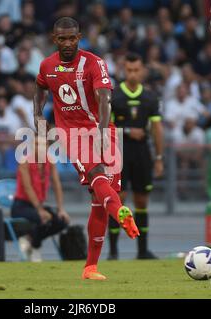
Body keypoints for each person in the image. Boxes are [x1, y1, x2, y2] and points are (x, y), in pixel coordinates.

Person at [34, 17, 139, 280]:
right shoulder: (47, 66)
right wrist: (40, 122)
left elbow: (105, 100)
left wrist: (103, 132)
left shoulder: (95, 63)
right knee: (97, 174)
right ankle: (122, 214)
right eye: (62, 38)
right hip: (72, 133)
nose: (67, 43)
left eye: (72, 38)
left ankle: (90, 267)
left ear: (79, 37)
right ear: (54, 38)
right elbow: (39, 92)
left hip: (104, 130)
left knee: (99, 201)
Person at [108, 52, 164, 260]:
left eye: (136, 70)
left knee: (142, 202)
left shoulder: (150, 97)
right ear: (124, 70)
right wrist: (128, 131)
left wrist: (159, 157)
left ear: (142, 71)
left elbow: (157, 129)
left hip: (142, 154)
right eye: (129, 70)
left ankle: (142, 251)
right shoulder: (114, 96)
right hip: (119, 153)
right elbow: (105, 128)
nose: (132, 74)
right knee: (118, 201)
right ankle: (113, 252)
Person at [11, 136, 70, 262]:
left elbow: (57, 184)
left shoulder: (50, 162)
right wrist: (39, 210)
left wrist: (61, 209)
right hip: (21, 205)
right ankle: (36, 247)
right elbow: (27, 187)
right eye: (37, 144)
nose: (40, 147)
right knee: (42, 218)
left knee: (62, 221)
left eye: (44, 144)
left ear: (48, 147)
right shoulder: (24, 161)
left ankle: (29, 240)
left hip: (38, 205)